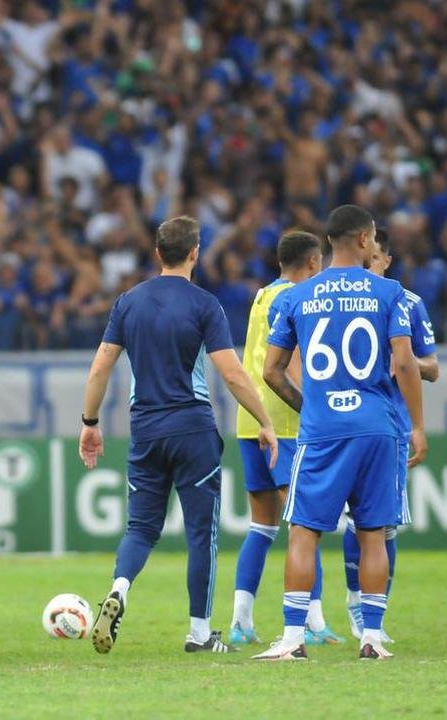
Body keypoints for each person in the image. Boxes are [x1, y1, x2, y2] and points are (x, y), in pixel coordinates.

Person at [77, 216, 278, 655]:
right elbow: (232, 373)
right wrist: (264, 420)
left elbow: (100, 367)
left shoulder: (128, 302)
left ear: (156, 254)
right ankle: (200, 633)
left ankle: (119, 588)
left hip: (145, 430)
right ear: (194, 253)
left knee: (140, 528)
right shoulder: (205, 305)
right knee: (200, 531)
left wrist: (90, 424)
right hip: (192, 429)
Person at [255, 205, 426, 661]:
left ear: (330, 241)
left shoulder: (295, 296)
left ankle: (293, 638)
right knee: (372, 533)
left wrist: (310, 406)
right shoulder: (391, 293)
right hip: (378, 428)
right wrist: (419, 426)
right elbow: (406, 363)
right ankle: (372, 637)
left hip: (323, 429)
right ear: (367, 240)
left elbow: (271, 371)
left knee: (304, 532)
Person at [229, 232, 339, 645]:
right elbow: (290, 365)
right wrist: (314, 410)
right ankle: (313, 622)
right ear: (313, 263)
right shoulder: (297, 299)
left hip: (250, 420)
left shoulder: (262, 295)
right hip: (285, 424)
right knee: (306, 523)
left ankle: (241, 621)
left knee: (262, 526)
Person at [341, 229, 439, 642]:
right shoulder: (343, 304)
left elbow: (431, 367)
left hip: (392, 427)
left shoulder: (408, 303)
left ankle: (373, 615)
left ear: (387, 261)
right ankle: (353, 601)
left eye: (375, 259)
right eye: (365, 260)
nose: (369, 266)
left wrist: (402, 357)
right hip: (347, 423)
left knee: (384, 526)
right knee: (352, 522)